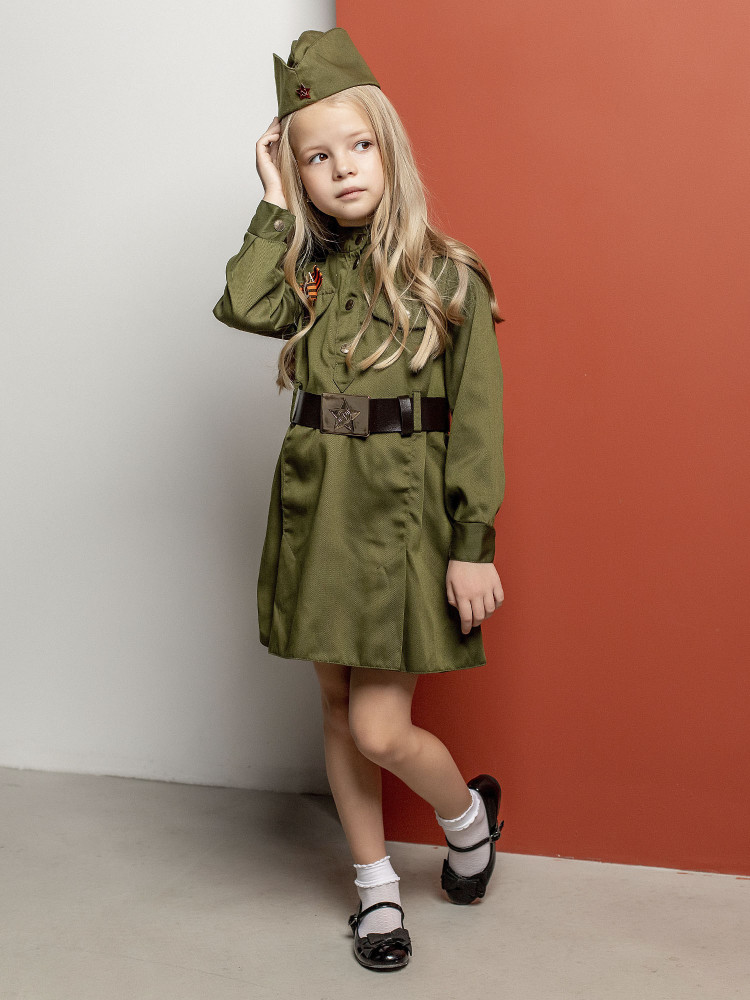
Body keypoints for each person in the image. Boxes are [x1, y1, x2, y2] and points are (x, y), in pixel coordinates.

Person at [213, 28, 506, 972]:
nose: (342, 168)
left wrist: (472, 541)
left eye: (359, 145)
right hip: (319, 500)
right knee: (339, 712)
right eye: (315, 157)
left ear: (390, 148)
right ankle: (376, 890)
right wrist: (270, 200)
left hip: (405, 512)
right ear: (298, 174)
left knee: (381, 727)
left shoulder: (449, 275)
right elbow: (244, 306)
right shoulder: (304, 275)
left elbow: (478, 422)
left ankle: (467, 819)